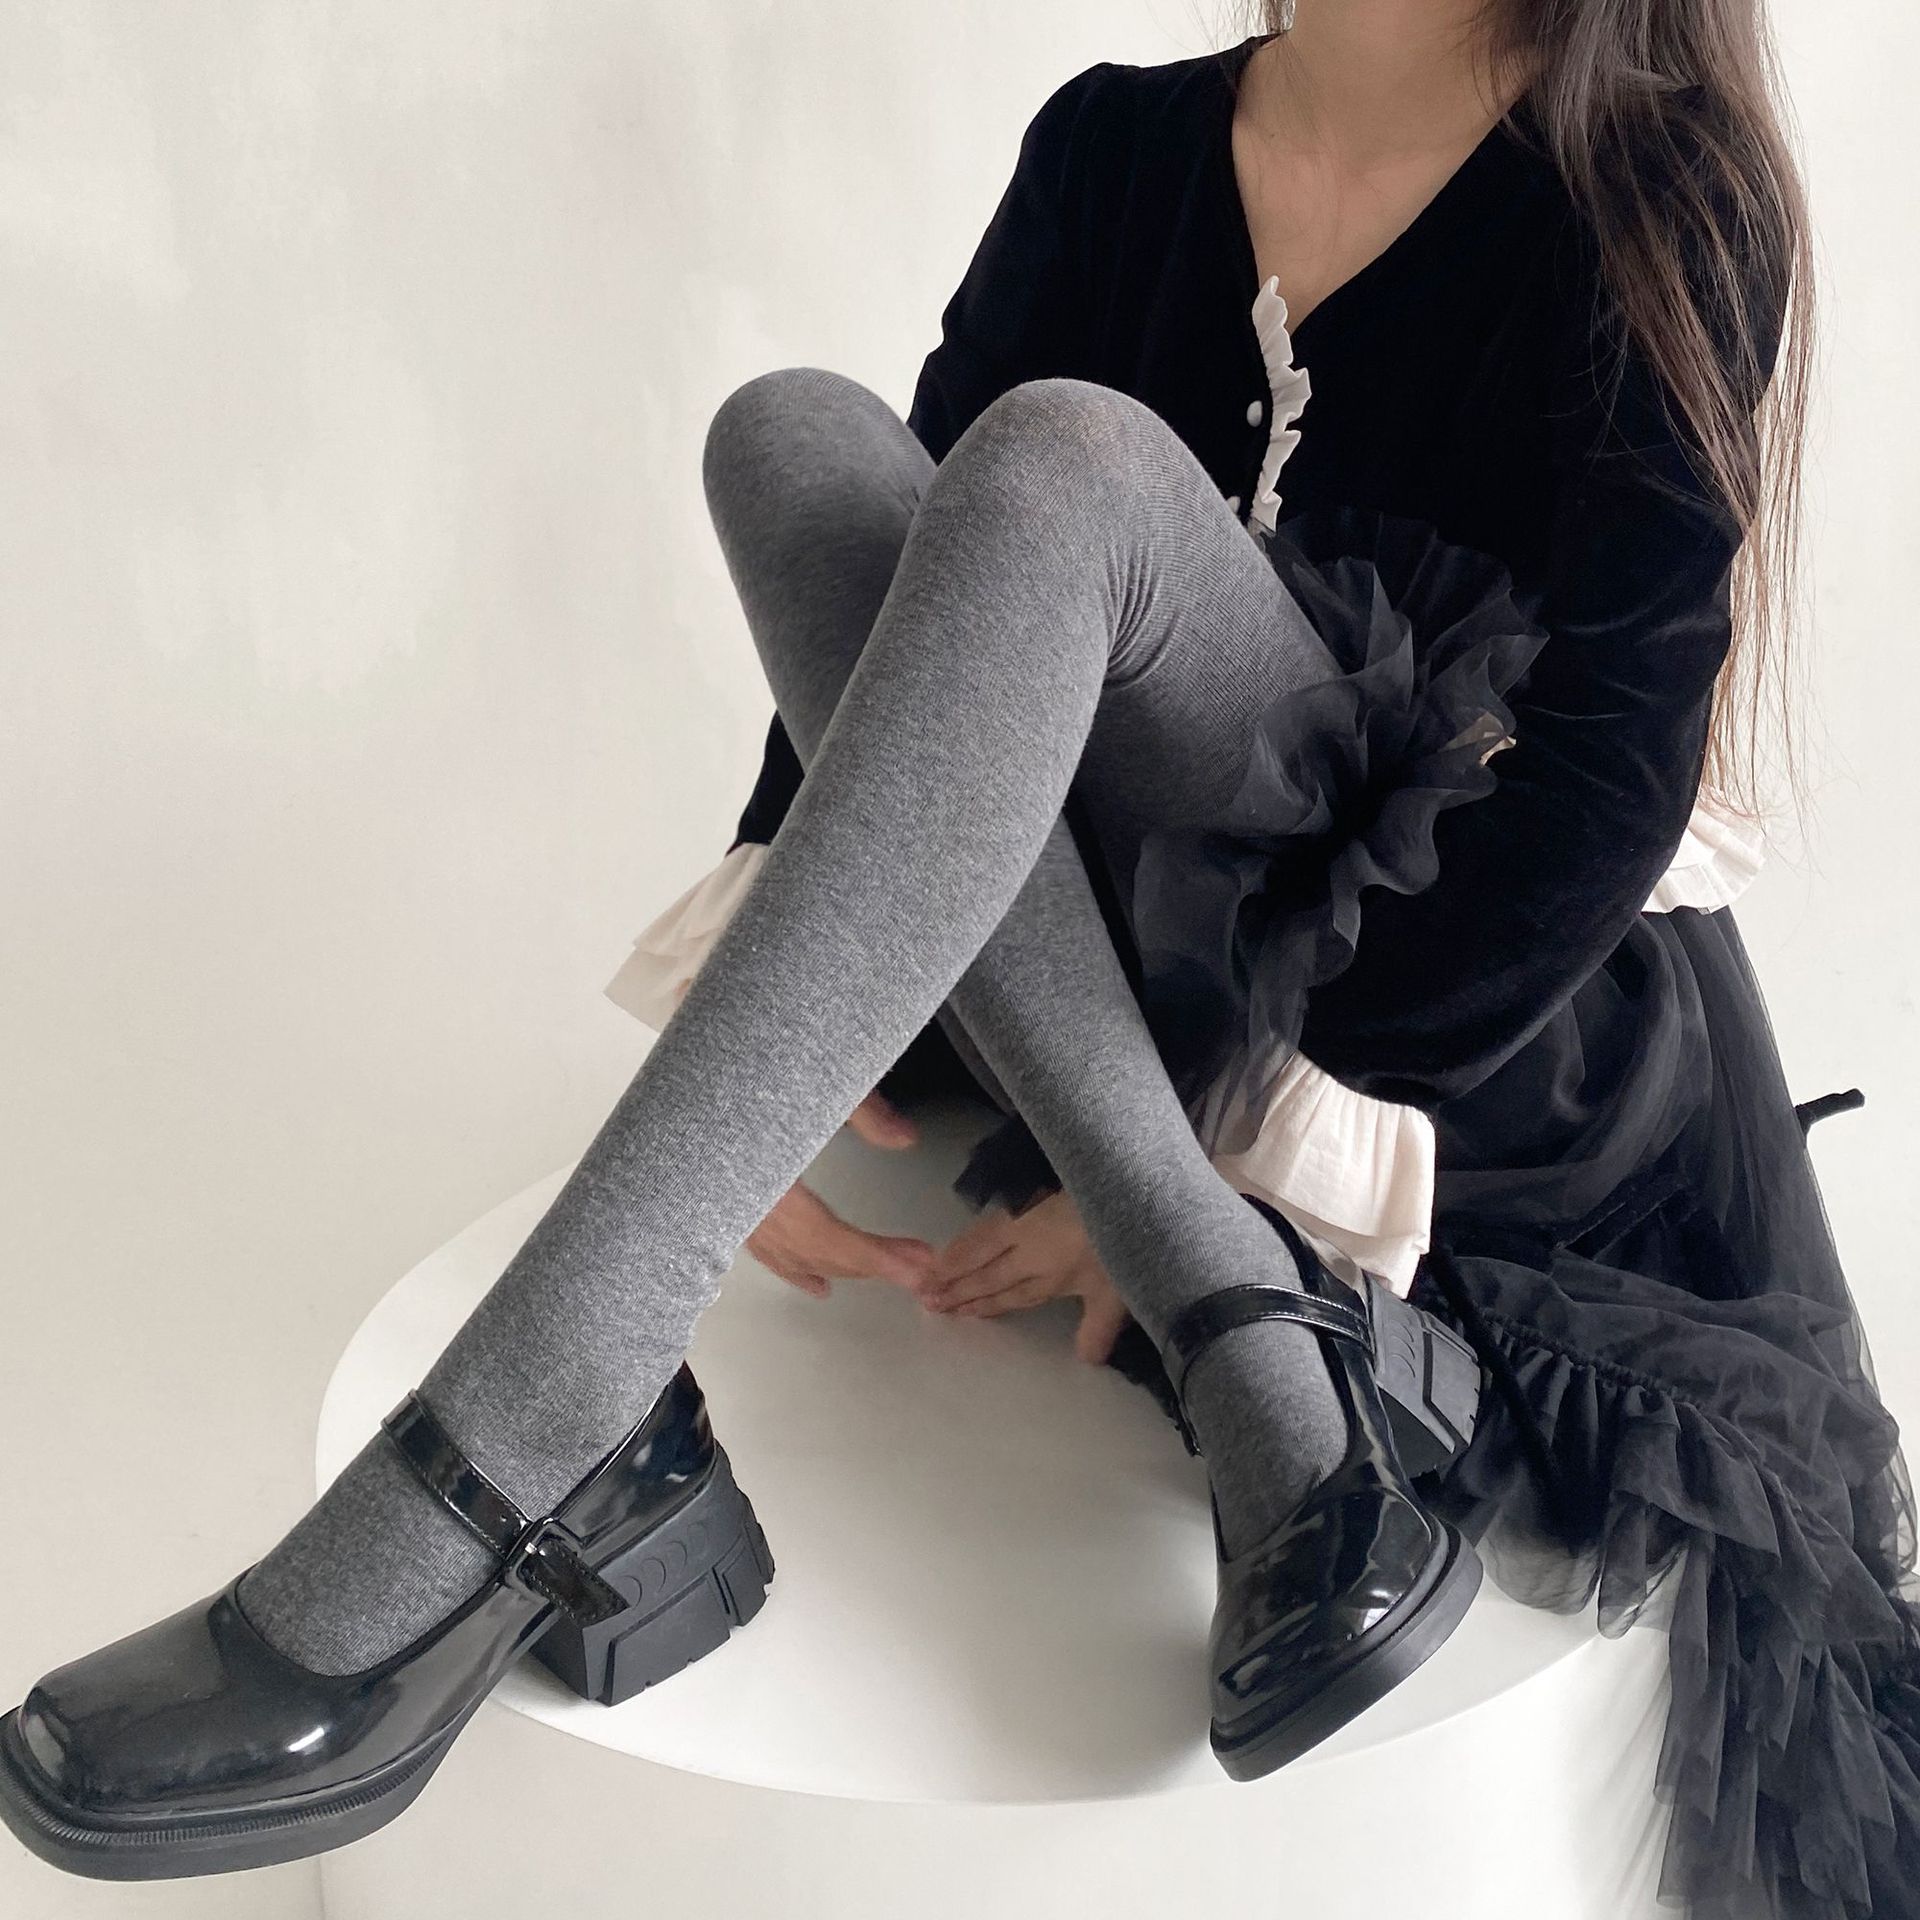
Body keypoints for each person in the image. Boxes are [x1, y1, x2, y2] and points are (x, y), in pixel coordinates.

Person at [3, 6, 1915, 1914]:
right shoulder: (1115, 148)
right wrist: (773, 1041)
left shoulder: (1653, 197)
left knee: (1064, 462)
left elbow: (1601, 787)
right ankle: (1236, 1325)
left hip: (1449, 1033)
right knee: (799, 441)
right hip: (1097, 955)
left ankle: (547, 1404)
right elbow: (901, 601)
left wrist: (1248, 1131)